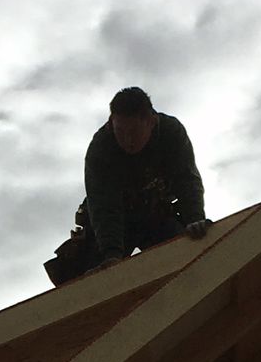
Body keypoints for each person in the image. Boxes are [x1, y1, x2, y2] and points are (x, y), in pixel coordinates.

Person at [45, 85, 209, 286]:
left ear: (151, 121)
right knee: (95, 279)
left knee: (195, 251)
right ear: (111, 123)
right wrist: (111, 254)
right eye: (120, 131)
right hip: (115, 222)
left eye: (134, 132)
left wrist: (195, 219)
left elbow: (187, 180)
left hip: (156, 215)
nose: (127, 140)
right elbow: (104, 205)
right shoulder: (101, 148)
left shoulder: (171, 132)